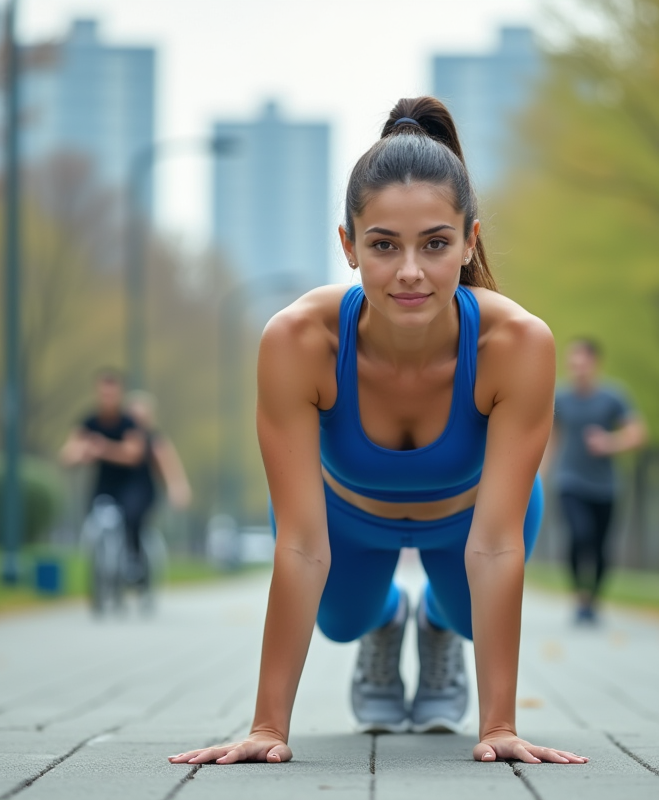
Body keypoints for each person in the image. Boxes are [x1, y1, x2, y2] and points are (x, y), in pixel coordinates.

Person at [168, 98, 587, 767]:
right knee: (342, 622)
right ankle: (390, 618)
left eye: (436, 244)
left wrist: (499, 726)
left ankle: (438, 630)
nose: (411, 272)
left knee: (472, 614)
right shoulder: (298, 340)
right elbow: (303, 546)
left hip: (472, 518)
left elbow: (497, 546)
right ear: (348, 244)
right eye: (384, 245)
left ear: (470, 239)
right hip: (343, 518)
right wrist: (268, 727)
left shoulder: (518, 343)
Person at [544, 338, 646, 624]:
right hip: (569, 480)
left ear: (595, 363)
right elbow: (551, 438)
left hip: (606, 485)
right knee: (579, 535)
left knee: (601, 546)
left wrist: (609, 443)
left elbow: (637, 434)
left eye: (582, 363)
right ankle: (579, 597)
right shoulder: (560, 398)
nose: (577, 369)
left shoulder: (614, 397)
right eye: (572, 363)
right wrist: (538, 476)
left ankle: (594, 599)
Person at [58, 370, 147, 575]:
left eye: (112, 394)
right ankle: (98, 567)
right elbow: (68, 452)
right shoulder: (90, 422)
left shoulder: (128, 423)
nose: (107, 398)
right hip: (103, 484)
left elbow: (134, 454)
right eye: (103, 393)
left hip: (129, 485)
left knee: (131, 517)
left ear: (120, 394)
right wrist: (80, 454)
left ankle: (133, 560)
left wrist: (103, 449)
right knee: (93, 518)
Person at [125, 391, 193, 518]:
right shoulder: (120, 437)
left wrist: (177, 486)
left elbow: (169, 464)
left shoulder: (155, 441)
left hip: (142, 491)